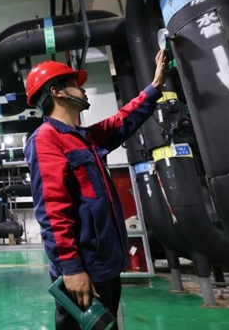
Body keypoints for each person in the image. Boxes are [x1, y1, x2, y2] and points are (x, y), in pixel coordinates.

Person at [24, 50, 167, 330]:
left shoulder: (85, 138)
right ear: (57, 92)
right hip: (83, 268)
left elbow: (122, 121)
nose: (83, 88)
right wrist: (71, 268)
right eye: (75, 84)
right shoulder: (46, 140)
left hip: (105, 264)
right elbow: (53, 211)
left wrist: (155, 87)